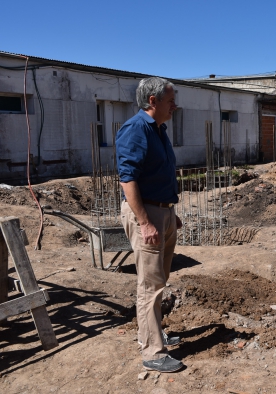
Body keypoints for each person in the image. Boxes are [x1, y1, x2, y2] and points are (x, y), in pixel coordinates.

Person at [115, 77, 184, 373]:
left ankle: (152, 333)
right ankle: (153, 352)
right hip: (147, 216)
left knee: (158, 281)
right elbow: (127, 178)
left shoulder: (159, 129)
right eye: (170, 100)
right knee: (150, 285)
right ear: (153, 101)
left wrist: (170, 211)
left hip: (163, 212)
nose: (175, 105)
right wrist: (145, 221)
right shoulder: (136, 129)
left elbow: (159, 173)